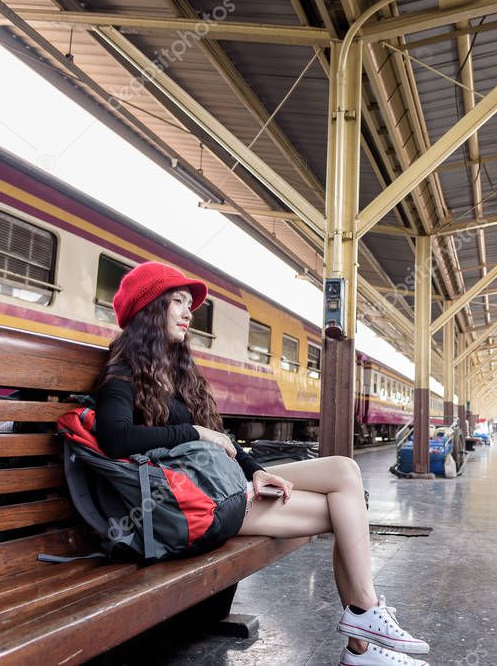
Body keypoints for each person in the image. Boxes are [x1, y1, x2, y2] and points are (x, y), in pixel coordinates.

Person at [94, 262, 430, 666]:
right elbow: (116, 439)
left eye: (188, 304)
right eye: (176, 302)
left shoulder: (175, 372)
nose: (188, 312)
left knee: (345, 471)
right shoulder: (124, 372)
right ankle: (362, 634)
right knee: (344, 509)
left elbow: (224, 443)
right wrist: (195, 434)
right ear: (148, 311)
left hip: (218, 481)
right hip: (190, 502)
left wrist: (257, 472)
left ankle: (364, 619)